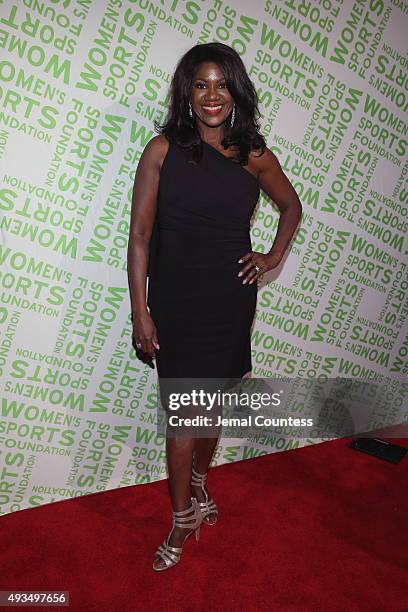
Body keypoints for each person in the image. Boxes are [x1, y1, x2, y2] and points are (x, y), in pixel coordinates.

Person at [127, 42, 302, 571]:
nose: (211, 95)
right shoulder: (161, 150)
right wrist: (141, 311)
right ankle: (183, 519)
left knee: (214, 404)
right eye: (201, 84)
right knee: (184, 416)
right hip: (176, 304)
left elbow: (291, 206)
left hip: (229, 300)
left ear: (236, 91)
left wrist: (271, 256)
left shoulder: (253, 155)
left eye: (222, 84)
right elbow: (139, 237)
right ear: (187, 92)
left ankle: (201, 485)